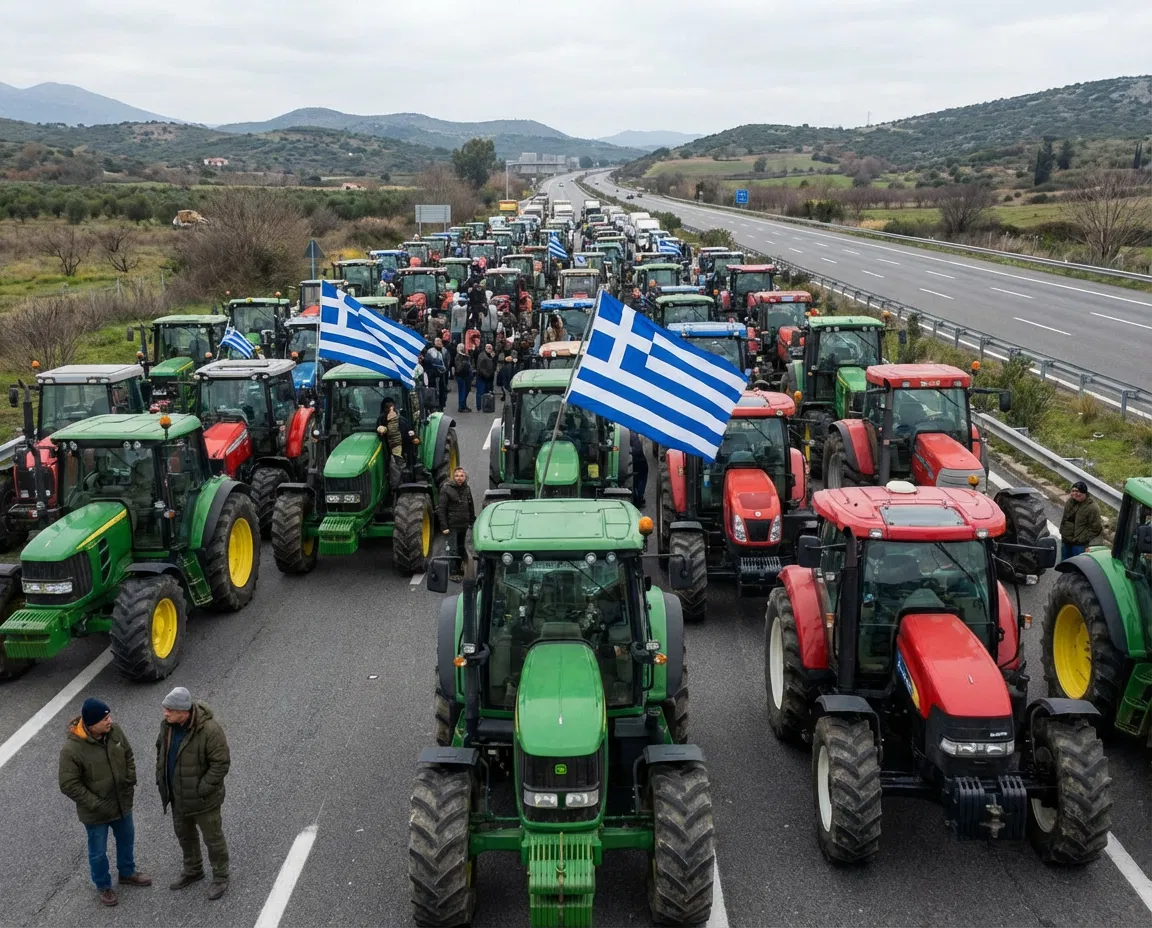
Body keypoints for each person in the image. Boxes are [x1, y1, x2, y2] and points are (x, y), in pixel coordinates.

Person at [59, 697, 151, 907]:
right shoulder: (71, 750)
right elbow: (68, 784)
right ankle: (103, 885)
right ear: (91, 724)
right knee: (98, 852)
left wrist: (130, 779)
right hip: (95, 812)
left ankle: (127, 873)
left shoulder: (114, 731)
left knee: (126, 840)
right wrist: (96, 803)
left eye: (109, 717)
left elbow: (128, 754)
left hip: (121, 802)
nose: (110, 721)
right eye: (105, 719)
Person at [155, 687, 232, 901]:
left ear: (184, 711)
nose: (165, 713)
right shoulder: (168, 727)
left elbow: (221, 763)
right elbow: (161, 751)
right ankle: (193, 870)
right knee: (185, 837)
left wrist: (203, 789)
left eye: (169, 709)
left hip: (204, 801)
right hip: (178, 798)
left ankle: (221, 877)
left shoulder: (209, 730)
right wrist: (162, 778)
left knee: (213, 840)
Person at [438, 467, 476, 581]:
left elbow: (470, 506)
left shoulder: (466, 488)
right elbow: (441, 509)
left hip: (463, 525)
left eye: (461, 476)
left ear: (465, 477)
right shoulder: (446, 489)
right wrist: (444, 527)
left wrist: (471, 521)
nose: (459, 478)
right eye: (457, 476)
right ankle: (453, 572)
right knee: (452, 549)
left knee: (461, 548)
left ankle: (460, 568)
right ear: (453, 477)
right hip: (452, 525)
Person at [1059, 480, 1103, 560]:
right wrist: (1062, 532)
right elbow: (1065, 519)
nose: (1075, 494)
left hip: (1079, 545)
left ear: (1084, 493)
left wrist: (1081, 539)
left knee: (1077, 566)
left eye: (1078, 491)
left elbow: (1096, 528)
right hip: (1066, 541)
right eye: (1073, 491)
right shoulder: (1070, 502)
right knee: (1064, 564)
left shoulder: (1092, 507)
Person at [377, 398, 405, 487]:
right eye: (388, 408)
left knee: (396, 464)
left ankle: (397, 486)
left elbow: (407, 433)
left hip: (398, 449)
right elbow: (380, 429)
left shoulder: (402, 420)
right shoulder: (381, 420)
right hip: (388, 448)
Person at [425, 338, 449, 411]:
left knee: (443, 390)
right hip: (433, 375)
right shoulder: (431, 351)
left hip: (443, 374)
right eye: (437, 341)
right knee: (435, 391)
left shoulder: (444, 351)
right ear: (434, 343)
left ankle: (442, 405)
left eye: (440, 341)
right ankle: (435, 406)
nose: (439, 342)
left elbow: (447, 361)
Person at [475, 343, 497, 410]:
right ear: (485, 348)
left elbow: (493, 366)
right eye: (488, 348)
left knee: (486, 392)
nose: (490, 350)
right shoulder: (482, 356)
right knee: (480, 392)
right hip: (482, 377)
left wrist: (493, 358)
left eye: (491, 349)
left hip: (488, 378)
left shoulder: (491, 355)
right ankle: (479, 406)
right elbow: (480, 368)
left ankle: (485, 406)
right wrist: (487, 375)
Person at [630, 430, 649, 508]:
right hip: (638, 458)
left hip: (632, 457)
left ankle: (636, 493)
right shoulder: (635, 434)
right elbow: (639, 450)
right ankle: (639, 495)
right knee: (642, 473)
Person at [454, 347, 473, 413]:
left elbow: (469, 366)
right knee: (462, 392)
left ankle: (464, 405)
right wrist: (465, 362)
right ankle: (461, 407)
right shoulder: (458, 357)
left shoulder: (466, 357)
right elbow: (459, 368)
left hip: (467, 376)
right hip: (461, 377)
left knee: (466, 391)